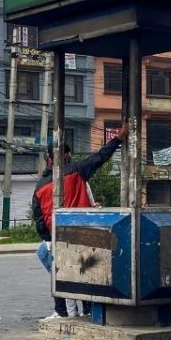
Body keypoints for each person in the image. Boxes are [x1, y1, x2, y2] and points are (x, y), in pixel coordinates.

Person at [34, 124, 129, 319]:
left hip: (57, 235)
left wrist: (49, 238)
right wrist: (118, 139)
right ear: (66, 156)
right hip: (82, 231)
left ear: (48, 160)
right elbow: (100, 157)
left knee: (58, 266)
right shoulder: (77, 171)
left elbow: (38, 219)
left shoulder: (39, 186)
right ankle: (82, 308)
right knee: (84, 270)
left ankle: (65, 310)